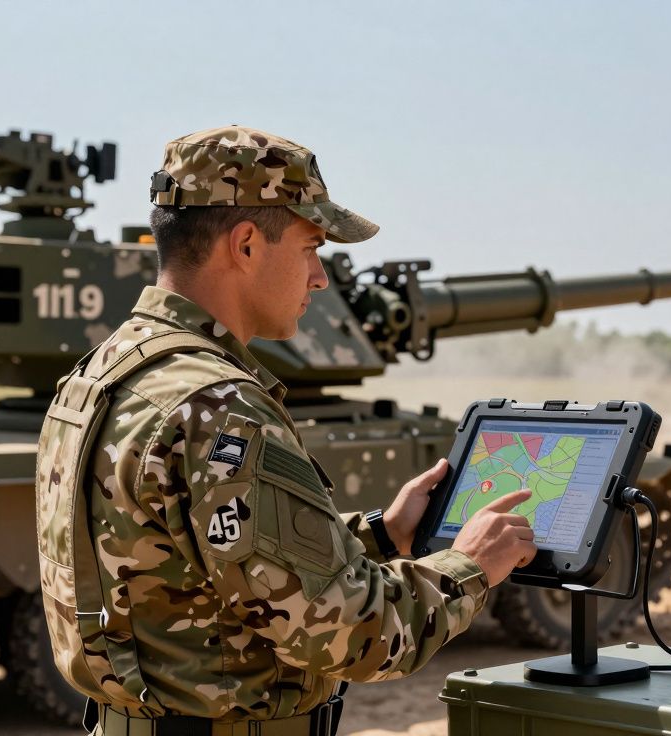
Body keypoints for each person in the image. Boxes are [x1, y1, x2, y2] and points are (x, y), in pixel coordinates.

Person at [35, 126, 537, 736]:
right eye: (310, 247)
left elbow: (201, 567)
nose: (320, 277)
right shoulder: (220, 406)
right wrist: (470, 565)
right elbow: (355, 637)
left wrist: (382, 534)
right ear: (246, 244)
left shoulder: (102, 375)